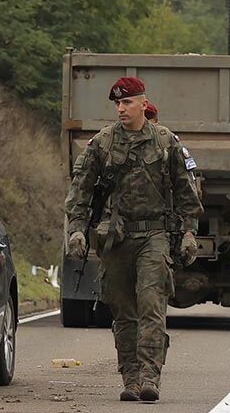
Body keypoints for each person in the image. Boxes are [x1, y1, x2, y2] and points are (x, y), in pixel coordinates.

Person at [65, 77, 203, 402]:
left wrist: (188, 231)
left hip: (154, 234)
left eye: (127, 102)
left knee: (152, 304)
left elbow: (187, 189)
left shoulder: (165, 141)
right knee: (122, 310)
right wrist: (76, 228)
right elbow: (81, 187)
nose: (121, 109)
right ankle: (129, 377)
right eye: (117, 104)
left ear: (144, 103)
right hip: (116, 237)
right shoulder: (103, 143)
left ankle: (149, 378)